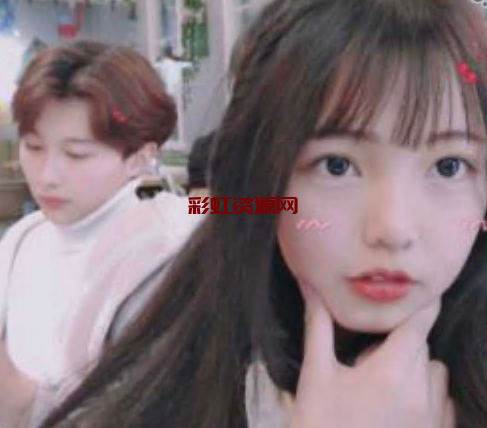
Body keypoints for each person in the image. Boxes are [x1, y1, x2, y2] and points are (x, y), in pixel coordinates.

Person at [39, 0, 487, 427]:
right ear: (258, 170)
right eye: (336, 165)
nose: (393, 229)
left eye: (449, 166)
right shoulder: (152, 355)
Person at [0, 40, 202, 428]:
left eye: (76, 154)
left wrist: (21, 402)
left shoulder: (162, 256)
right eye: (34, 147)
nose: (47, 176)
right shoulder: (24, 238)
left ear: (141, 158)